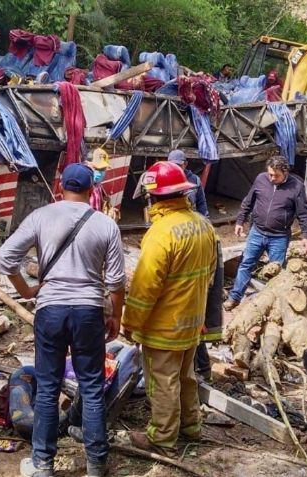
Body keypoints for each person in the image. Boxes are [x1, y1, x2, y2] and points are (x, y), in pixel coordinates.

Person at [0, 163, 126, 477]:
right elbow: (117, 283)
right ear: (92, 191)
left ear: (61, 187)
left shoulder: (41, 216)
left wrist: (26, 289)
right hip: (88, 311)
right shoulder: (105, 225)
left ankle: (43, 465)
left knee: (49, 386)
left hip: (50, 310)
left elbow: (4, 258)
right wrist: (116, 318)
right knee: (92, 387)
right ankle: (96, 464)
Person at [122, 161, 217, 457]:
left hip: (164, 326)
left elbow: (144, 287)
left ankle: (162, 438)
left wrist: (131, 322)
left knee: (163, 383)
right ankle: (191, 427)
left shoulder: (161, 233)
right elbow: (211, 274)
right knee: (187, 377)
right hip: (191, 322)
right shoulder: (203, 225)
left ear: (154, 197)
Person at [224, 155, 307, 311]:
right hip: (256, 232)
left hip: (279, 237)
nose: (272, 178)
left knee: (277, 272)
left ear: (285, 172)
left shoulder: (296, 186)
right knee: (245, 265)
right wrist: (240, 221)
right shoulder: (261, 179)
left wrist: (306, 235)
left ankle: (275, 306)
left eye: (276, 175)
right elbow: (248, 201)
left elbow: (303, 213)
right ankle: (234, 298)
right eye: (270, 174)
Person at [166, 150, 223, 379]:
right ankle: (200, 369)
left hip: (189, 293)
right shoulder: (198, 234)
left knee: (193, 326)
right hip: (195, 290)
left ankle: (199, 368)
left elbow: (202, 208)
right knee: (194, 324)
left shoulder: (194, 182)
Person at [167, 149, 208, 217]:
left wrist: (205, 219)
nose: (176, 168)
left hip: (190, 218)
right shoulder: (164, 179)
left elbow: (201, 203)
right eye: (172, 165)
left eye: (179, 165)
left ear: (185, 164)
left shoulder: (195, 180)